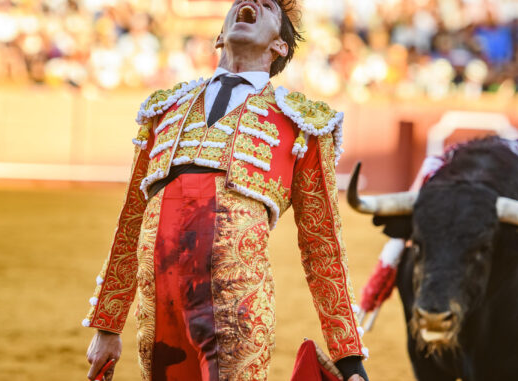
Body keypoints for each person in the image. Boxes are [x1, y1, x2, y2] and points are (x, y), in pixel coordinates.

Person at [82, 0, 369, 380]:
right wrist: (108, 325)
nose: (250, 2)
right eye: (241, 1)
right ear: (220, 35)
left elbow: (322, 244)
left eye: (267, 5)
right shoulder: (164, 109)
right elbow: (132, 220)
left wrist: (348, 356)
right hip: (160, 308)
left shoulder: (302, 124)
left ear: (279, 46)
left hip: (237, 309)